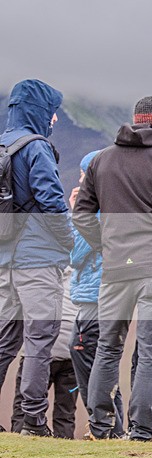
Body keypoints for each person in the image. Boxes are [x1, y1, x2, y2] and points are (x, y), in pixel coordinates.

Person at [73, 96, 152, 441]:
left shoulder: (102, 160)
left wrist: (106, 245)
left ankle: (100, 427)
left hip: (116, 269)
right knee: (151, 352)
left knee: (108, 347)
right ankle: (141, 431)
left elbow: (82, 215)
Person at [0, 79, 73, 437]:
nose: (55, 119)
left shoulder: (3, 145)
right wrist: (68, 242)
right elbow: (52, 203)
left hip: (5, 260)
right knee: (40, 339)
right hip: (38, 261)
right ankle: (33, 421)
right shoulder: (36, 148)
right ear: (39, 111)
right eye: (52, 111)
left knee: (4, 341)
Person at [68, 150, 125, 439]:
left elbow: (75, 254)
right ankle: (109, 426)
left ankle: (105, 426)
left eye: (82, 174)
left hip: (95, 292)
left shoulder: (97, 208)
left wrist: (76, 212)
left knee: (86, 353)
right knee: (103, 358)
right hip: (104, 290)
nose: (79, 180)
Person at [10, 278, 78, 438]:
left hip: (38, 355)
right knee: (66, 410)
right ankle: (65, 444)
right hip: (71, 353)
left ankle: (20, 435)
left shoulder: (38, 280)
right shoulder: (78, 278)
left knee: (23, 404)